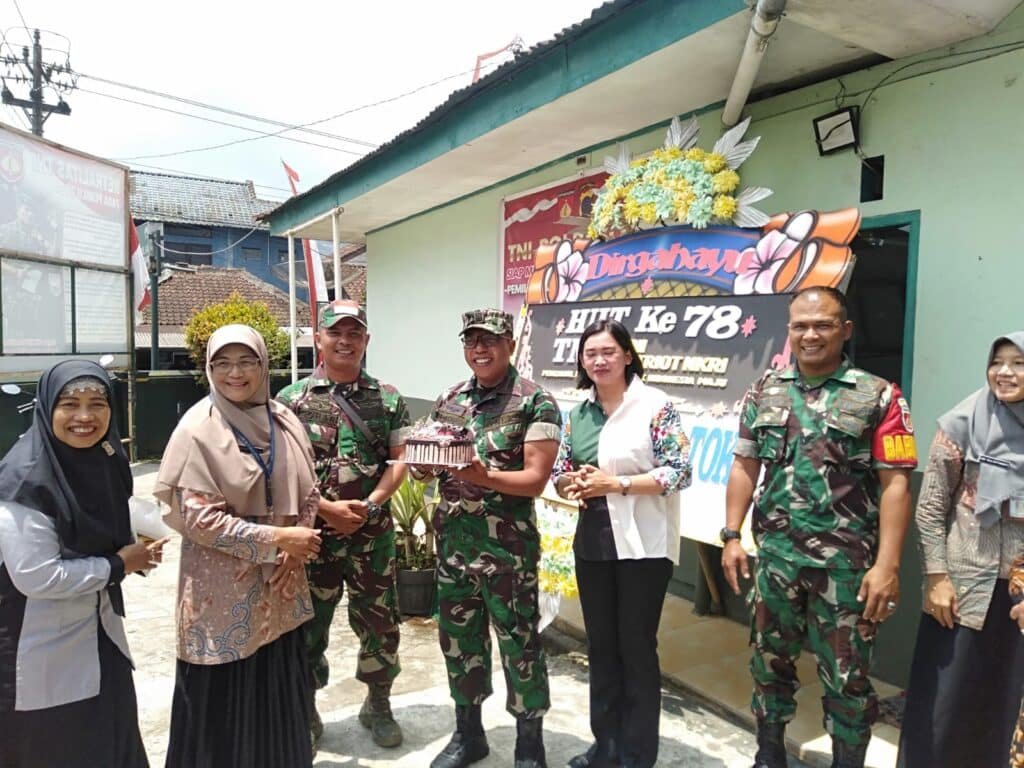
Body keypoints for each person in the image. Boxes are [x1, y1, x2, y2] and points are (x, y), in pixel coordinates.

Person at [722, 286, 917, 768]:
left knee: (848, 679)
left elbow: (896, 486)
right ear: (788, 331)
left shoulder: (879, 396)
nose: (811, 335)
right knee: (769, 664)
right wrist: (731, 534)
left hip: (846, 569)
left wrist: (888, 565)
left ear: (845, 330)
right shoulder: (764, 390)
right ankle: (769, 756)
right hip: (776, 562)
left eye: (823, 325)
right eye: (800, 326)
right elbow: (744, 467)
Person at [155, 324, 322, 768]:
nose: (236, 373)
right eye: (222, 363)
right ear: (208, 369)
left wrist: (294, 548)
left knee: (275, 690)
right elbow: (199, 520)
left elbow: (310, 489)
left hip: (280, 590)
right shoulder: (197, 430)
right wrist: (278, 540)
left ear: (264, 364)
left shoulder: (283, 418)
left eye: (247, 360)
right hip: (222, 598)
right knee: (222, 704)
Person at [411, 308, 561, 768]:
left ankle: (529, 745)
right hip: (453, 547)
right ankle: (468, 735)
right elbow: (424, 466)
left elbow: (535, 479)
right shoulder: (450, 397)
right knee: (459, 642)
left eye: (490, 340)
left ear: (509, 344)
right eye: (471, 340)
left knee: (520, 645)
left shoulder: (535, 401)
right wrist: (422, 464)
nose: (480, 348)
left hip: (507, 553)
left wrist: (484, 475)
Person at [0, 361, 165, 768]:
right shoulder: (25, 481)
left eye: (98, 403)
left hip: (99, 634)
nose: (85, 417)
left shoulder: (104, 458)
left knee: (109, 735)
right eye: (69, 404)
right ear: (46, 408)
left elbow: (100, 523)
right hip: (40, 647)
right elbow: (37, 576)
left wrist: (134, 550)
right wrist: (117, 564)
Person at [551, 319, 692, 768]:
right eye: (590, 353)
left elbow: (680, 471)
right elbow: (560, 470)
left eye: (608, 351)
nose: (598, 360)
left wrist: (619, 483)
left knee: (635, 648)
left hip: (644, 549)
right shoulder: (579, 413)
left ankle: (636, 754)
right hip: (593, 543)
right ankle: (605, 746)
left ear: (627, 355)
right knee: (601, 648)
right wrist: (569, 482)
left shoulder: (655, 405)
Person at [277, 300, 411, 750]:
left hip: (372, 536)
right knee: (308, 624)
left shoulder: (387, 399)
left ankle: (378, 702)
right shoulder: (290, 401)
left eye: (355, 333)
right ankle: (306, 707)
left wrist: (372, 504)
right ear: (318, 339)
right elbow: (281, 472)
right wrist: (327, 510)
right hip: (313, 537)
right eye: (336, 332)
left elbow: (399, 459)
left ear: (366, 341)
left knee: (380, 621)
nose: (345, 341)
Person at [897, 331, 1024, 768]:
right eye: (998, 361)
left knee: (1007, 710)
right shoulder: (961, 424)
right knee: (944, 709)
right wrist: (936, 579)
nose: (1005, 372)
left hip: (1020, 602)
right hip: (961, 593)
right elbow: (930, 509)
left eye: (1018, 362)